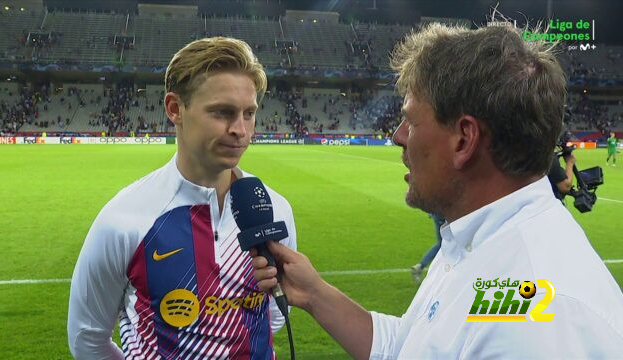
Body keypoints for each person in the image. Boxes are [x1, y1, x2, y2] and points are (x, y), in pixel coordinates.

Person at [252, 23, 623, 358]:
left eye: (411, 121)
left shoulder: (538, 318)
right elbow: (410, 347)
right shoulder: (478, 239)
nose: (397, 137)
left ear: (464, 139)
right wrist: (315, 295)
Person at [67, 37, 297, 359]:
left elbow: (273, 317)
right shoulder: (123, 219)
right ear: (175, 109)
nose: (240, 130)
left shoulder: (274, 211)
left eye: (249, 113)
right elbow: (87, 340)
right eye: (222, 112)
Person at [410, 213, 445, 283]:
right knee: (444, 245)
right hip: (445, 216)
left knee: (441, 244)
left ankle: (420, 266)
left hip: (437, 215)